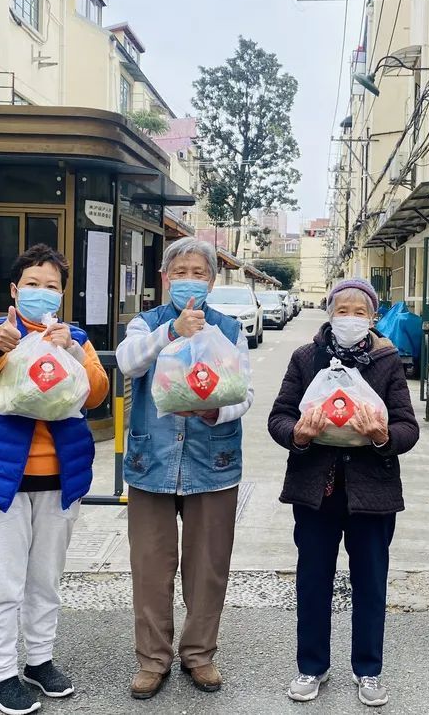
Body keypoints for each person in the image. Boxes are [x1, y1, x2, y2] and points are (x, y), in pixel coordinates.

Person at [0, 244, 110, 715]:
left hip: (58, 479)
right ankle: (0, 675)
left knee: (45, 579)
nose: (42, 294)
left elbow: (96, 393)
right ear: (14, 290)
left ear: (63, 295)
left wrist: (72, 351)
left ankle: (39, 660)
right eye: (33, 285)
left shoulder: (74, 339)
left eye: (52, 287)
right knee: (1, 583)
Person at [268, 279, 419, 708]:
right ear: (329, 312)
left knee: (370, 582)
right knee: (313, 580)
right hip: (316, 491)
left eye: (360, 311)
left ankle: (368, 669)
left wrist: (381, 436)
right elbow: (279, 416)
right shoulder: (305, 358)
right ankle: (311, 666)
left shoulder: (387, 361)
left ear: (372, 317)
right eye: (343, 309)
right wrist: (298, 434)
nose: (350, 318)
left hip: (372, 493)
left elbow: (407, 427)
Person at [115, 238, 254, 700]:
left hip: (212, 463)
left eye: (198, 272)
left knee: (208, 567)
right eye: (180, 272)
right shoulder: (145, 323)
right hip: (150, 462)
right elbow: (127, 362)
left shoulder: (230, 330)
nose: (189, 279)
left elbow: (244, 395)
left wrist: (215, 412)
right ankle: (152, 661)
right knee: (151, 567)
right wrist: (172, 332)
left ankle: (199, 655)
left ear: (212, 281)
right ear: (164, 278)